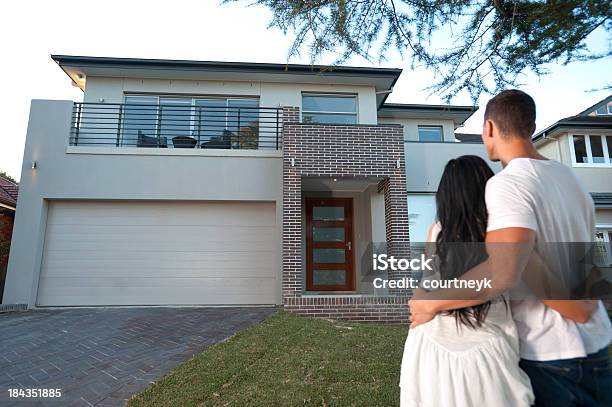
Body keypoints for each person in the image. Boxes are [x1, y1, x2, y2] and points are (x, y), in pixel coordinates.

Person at [408, 90, 612, 407]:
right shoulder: (571, 178)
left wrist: (432, 303)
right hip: (596, 345)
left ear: (489, 128)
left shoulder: (506, 184)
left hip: (549, 350)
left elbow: (503, 271)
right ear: (530, 126)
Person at [399, 155, 535, 407]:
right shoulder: (503, 230)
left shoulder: (437, 231)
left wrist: (423, 305)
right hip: (489, 349)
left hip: (430, 348)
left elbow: (423, 289)